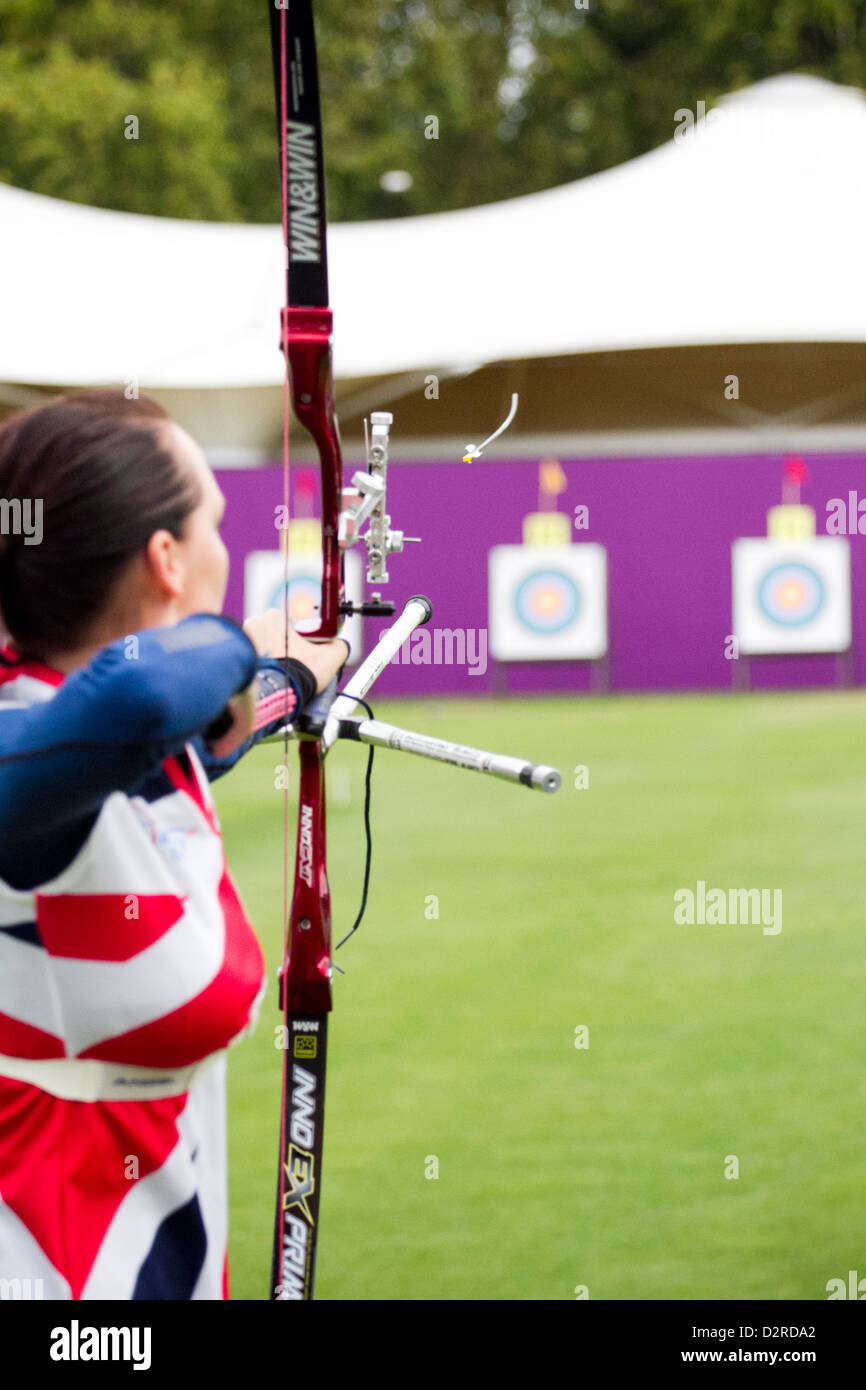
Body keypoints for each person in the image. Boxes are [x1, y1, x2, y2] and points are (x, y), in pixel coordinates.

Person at [0, 390, 347, 1299]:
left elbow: (180, 741)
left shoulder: (94, 753)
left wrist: (285, 679)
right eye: (215, 524)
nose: (225, 552)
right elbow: (140, 705)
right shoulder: (26, 755)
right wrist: (241, 643)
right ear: (166, 558)